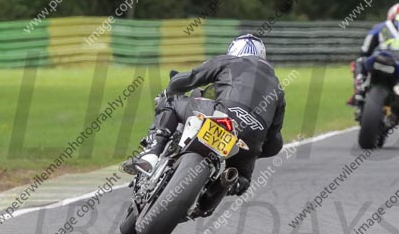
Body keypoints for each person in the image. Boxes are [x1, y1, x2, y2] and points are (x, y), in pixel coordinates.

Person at [121, 34, 286, 196]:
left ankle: (152, 153)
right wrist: (256, 149)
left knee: (170, 102)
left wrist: (168, 90)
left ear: (233, 50)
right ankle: (223, 186)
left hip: (224, 115)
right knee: (241, 179)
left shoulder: (228, 61)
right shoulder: (278, 88)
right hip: (250, 139)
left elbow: (190, 78)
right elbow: (275, 140)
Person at [349, 3, 399, 107]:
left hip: (380, 58)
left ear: (390, 15)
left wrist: (363, 57)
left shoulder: (381, 26)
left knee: (360, 62)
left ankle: (359, 88)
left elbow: (365, 49)